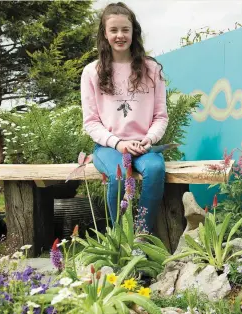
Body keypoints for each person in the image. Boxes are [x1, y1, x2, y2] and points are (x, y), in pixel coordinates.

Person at [80, 2, 168, 233]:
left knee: (156, 170)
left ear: (133, 32)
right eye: (114, 30)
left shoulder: (152, 69)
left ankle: (141, 235)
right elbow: (91, 122)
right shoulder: (92, 72)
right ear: (105, 34)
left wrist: (149, 139)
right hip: (109, 147)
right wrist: (118, 143)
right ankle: (120, 237)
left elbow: (160, 115)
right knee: (118, 176)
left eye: (125, 30)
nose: (120, 35)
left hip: (143, 146)